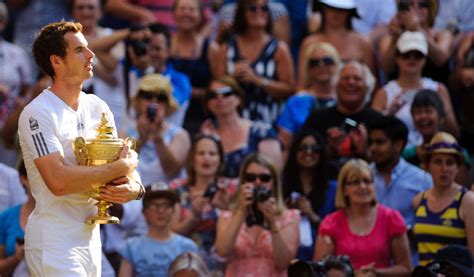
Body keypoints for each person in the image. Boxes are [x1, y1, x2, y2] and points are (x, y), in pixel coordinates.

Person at [17, 21, 143, 276]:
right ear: (56, 61)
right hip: (54, 241)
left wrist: (133, 189)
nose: (91, 54)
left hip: (91, 239)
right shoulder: (36, 113)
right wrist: (119, 168)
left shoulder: (98, 106)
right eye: (79, 50)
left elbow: (127, 166)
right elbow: (58, 182)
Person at [314, 159, 412, 275]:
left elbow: (406, 269)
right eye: (355, 182)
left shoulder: (391, 218)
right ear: (344, 189)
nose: (363, 186)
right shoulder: (331, 224)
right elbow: (320, 271)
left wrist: (376, 273)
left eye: (367, 181)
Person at [215, 153, 300, 276]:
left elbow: (284, 262)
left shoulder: (290, 217)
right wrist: (241, 211)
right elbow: (222, 252)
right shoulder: (227, 217)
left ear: (274, 182)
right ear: (242, 181)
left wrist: (272, 223)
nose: (257, 182)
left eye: (264, 178)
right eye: (250, 177)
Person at [372, 31, 458, 149]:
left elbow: (454, 132)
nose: (412, 59)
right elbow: (373, 134)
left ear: (425, 58)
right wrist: (389, 113)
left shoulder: (438, 89)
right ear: (397, 57)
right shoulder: (384, 93)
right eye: (406, 54)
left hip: (433, 154)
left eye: (417, 55)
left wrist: (440, 115)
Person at [215, 0, 294, 125]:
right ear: (242, 13)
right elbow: (215, 87)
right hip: (232, 121)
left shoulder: (279, 49)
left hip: (268, 121)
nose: (259, 12)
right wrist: (231, 79)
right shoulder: (226, 48)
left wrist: (257, 80)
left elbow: (289, 89)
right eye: (252, 8)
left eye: (263, 8)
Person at [301, 60, 381, 179]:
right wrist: (329, 150)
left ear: (367, 87)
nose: (351, 83)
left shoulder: (378, 121)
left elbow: (387, 165)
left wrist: (365, 153)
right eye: (345, 78)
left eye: (357, 79)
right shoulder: (317, 118)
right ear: (336, 85)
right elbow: (301, 158)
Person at [170, 134, 236, 274]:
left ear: (220, 159)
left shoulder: (230, 189)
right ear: (192, 158)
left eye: (212, 153)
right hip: (185, 265)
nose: (207, 158)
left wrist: (226, 210)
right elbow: (170, 233)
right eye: (201, 153)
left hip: (222, 266)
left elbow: (240, 231)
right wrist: (193, 216)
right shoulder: (177, 188)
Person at [200, 76, 282, 178]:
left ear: (238, 99)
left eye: (226, 93)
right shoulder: (206, 135)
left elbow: (273, 175)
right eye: (212, 95)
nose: (219, 98)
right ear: (208, 103)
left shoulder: (262, 132)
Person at [413, 132, 474, 265]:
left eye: (450, 162)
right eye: (438, 161)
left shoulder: (467, 201)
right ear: (428, 165)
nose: (444, 168)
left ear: (458, 167)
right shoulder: (418, 201)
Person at [118, 183, 198, 276]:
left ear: (173, 210)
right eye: (155, 205)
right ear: (144, 211)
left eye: (166, 205)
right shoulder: (131, 247)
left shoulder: (187, 247)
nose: (161, 211)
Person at [282, 129, 337, 261]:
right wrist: (284, 211)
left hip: (322, 258)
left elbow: (339, 231)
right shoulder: (281, 186)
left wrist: (312, 215)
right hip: (287, 256)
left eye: (315, 148)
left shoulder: (333, 189)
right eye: (303, 147)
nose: (308, 152)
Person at [127, 73, 190, 186]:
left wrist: (158, 138)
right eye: (148, 96)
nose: (154, 102)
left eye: (161, 98)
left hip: (167, 197)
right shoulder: (125, 133)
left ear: (167, 104)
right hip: (132, 198)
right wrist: (140, 139)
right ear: (139, 101)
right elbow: (121, 167)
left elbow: (171, 170)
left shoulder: (180, 135)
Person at [369, 116, 432, 228]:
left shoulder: (422, 180)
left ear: (398, 145)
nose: (373, 148)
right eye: (371, 142)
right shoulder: (363, 177)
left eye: (380, 142)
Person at [168, 0, 220, 136]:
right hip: (169, 112)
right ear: (173, 14)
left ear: (201, 16)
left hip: (201, 115)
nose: (186, 13)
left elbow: (219, 84)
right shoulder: (165, 44)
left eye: (191, 9)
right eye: (182, 9)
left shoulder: (211, 48)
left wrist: (187, 91)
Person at [277, 42, 340, 150]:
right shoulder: (296, 102)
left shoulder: (345, 99)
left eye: (327, 61)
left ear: (336, 64)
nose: (321, 66)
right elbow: (284, 146)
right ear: (308, 68)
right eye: (314, 63)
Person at [299, 0, 377, 85]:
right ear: (322, 8)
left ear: (349, 11)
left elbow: (374, 84)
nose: (336, 13)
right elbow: (302, 83)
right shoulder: (309, 43)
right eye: (331, 8)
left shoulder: (363, 43)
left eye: (341, 9)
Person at [402, 90, 471, 185]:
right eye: (418, 112)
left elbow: (462, 192)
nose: (423, 116)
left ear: (441, 117)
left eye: (428, 111)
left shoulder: (457, 153)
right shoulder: (408, 156)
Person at [379, 0, 453, 85]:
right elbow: (386, 68)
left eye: (422, 4)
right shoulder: (389, 38)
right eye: (409, 4)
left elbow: (441, 59)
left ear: (431, 9)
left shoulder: (442, 35)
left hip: (434, 93)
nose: (415, 8)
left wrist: (418, 29)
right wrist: (396, 39)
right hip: (399, 93)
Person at [0, 161, 32, 276]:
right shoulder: (6, 217)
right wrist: (16, 258)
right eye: (35, 177)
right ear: (23, 179)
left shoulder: (58, 216)